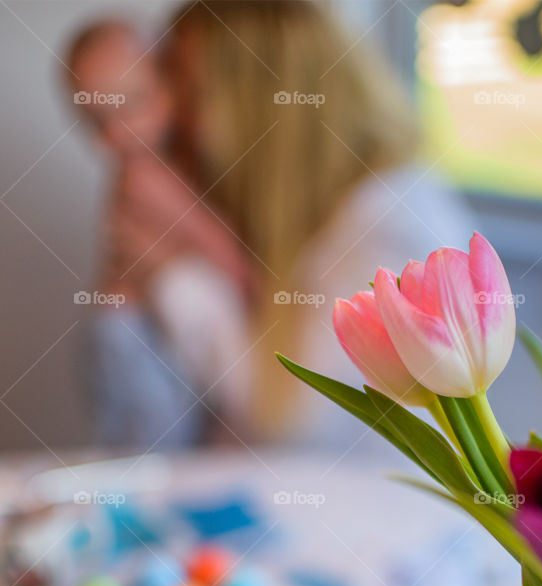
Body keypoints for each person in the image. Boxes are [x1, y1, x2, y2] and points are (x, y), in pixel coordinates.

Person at [97, 0, 473, 446]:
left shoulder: (392, 224)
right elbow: (144, 428)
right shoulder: (270, 210)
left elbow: (293, 425)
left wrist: (174, 274)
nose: (177, 120)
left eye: (191, 93)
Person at [66, 19, 254, 448]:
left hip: (126, 334)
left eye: (134, 103)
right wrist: (259, 285)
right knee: (156, 456)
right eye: (97, 121)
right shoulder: (143, 177)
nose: (118, 133)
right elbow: (226, 255)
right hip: (130, 338)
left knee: (159, 448)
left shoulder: (161, 168)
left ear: (171, 85)